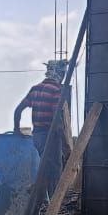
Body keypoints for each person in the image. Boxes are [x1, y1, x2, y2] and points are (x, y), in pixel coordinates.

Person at [13, 60, 68, 197]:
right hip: (50, 135)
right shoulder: (56, 90)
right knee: (54, 169)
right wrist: (65, 144)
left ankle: (39, 194)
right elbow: (57, 119)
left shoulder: (35, 89)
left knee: (46, 166)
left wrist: (16, 130)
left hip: (37, 135)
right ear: (59, 74)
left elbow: (18, 110)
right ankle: (48, 196)